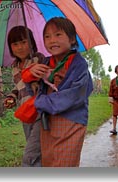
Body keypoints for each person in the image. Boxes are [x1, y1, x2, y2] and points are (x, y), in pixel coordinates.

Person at [22, 17, 93, 167]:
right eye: (47, 36)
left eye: (58, 35)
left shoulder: (79, 65)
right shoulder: (46, 63)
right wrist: (31, 74)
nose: (52, 40)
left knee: (64, 163)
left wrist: (38, 102)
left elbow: (74, 97)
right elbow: (35, 90)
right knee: (48, 161)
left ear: (72, 39)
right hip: (48, 122)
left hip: (71, 122)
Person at [3, 26, 44, 167]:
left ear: (31, 42)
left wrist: (34, 77)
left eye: (24, 42)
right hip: (26, 114)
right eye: (15, 44)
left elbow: (47, 81)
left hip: (40, 112)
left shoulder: (38, 58)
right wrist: (11, 97)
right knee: (35, 150)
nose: (20, 47)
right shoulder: (14, 66)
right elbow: (18, 87)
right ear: (11, 48)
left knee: (31, 155)